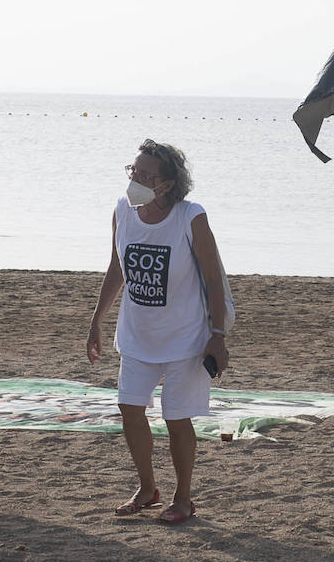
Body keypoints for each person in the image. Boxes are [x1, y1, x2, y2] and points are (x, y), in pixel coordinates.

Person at [87, 140, 229, 524]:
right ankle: (148, 488)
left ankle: (183, 498)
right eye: (132, 171)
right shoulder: (122, 209)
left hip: (186, 337)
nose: (135, 180)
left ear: (167, 184)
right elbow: (116, 267)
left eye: (145, 175)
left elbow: (214, 277)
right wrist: (98, 319)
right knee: (129, 409)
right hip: (137, 335)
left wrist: (217, 333)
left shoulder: (190, 217)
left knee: (176, 417)